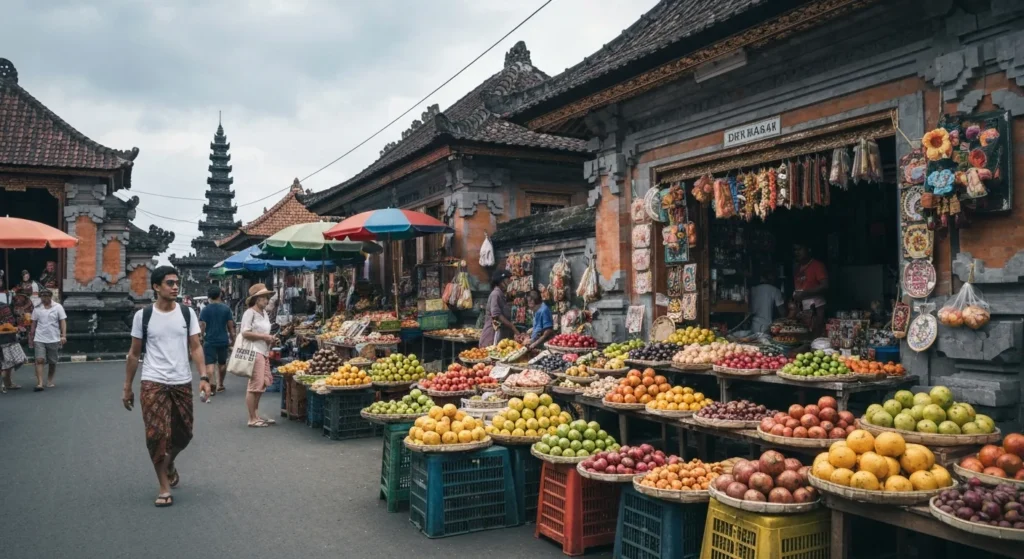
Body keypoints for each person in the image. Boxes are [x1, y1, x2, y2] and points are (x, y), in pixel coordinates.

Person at [123, 266, 209, 508]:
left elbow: (195, 346)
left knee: (184, 433)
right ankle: (163, 487)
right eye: (170, 283)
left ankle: (169, 462)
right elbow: (134, 354)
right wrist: (127, 387)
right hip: (153, 380)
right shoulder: (143, 316)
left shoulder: (187, 313)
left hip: (181, 380)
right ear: (156, 286)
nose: (175, 287)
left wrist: (204, 377)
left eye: (176, 283)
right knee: (157, 435)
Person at [240, 283, 277, 427]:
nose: (267, 300)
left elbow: (264, 332)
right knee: (255, 385)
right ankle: (252, 418)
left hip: (264, 351)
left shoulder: (264, 313)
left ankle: (256, 414)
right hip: (254, 351)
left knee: (263, 382)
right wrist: (264, 337)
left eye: (267, 298)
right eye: (264, 298)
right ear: (256, 299)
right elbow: (245, 333)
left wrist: (270, 338)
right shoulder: (250, 313)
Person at [199, 286, 235, 394]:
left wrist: (201, 337)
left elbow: (202, 326)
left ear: (209, 296)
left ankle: (212, 383)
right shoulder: (226, 309)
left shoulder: (205, 310)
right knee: (222, 364)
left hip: (209, 341)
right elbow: (231, 326)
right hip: (223, 340)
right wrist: (233, 339)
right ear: (220, 295)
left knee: (210, 364)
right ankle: (220, 384)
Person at [28, 288, 66, 391]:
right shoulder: (37, 308)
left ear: (50, 297)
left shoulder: (58, 307)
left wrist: (63, 335)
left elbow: (62, 321)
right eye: (42, 297)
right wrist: (31, 336)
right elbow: (34, 323)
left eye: (46, 297)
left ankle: (49, 380)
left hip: (53, 338)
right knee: (39, 360)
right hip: (40, 337)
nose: (44, 299)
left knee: (52, 362)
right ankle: (40, 383)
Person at [793, 243, 829, 337]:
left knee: (815, 335)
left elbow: (825, 285)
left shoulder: (817, 265)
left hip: (816, 307)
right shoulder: (797, 268)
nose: (797, 252)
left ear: (808, 249)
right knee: (804, 336)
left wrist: (805, 293)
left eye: (800, 249)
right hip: (802, 308)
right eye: (795, 250)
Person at [478, 270, 516, 348]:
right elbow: (496, 314)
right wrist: (512, 327)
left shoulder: (501, 294)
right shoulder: (496, 294)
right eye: (507, 281)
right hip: (492, 336)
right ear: (501, 282)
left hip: (499, 335)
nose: (509, 283)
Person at [750, 270, 785, 334]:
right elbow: (782, 311)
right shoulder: (775, 290)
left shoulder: (753, 289)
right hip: (767, 327)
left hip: (754, 325)